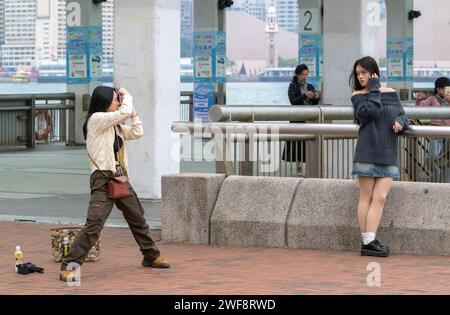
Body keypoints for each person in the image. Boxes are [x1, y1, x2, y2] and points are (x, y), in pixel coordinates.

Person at [59, 86, 170, 281]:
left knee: (137, 218)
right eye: (115, 99)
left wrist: (133, 112)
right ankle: (69, 265)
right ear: (103, 102)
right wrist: (128, 95)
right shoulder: (96, 120)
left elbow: (137, 132)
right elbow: (123, 112)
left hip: (120, 177)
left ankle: (151, 256)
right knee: (94, 225)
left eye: (118, 98)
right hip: (102, 179)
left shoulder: (115, 125)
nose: (118, 101)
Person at [350, 56, 409, 258]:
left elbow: (403, 115)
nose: (360, 77)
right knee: (366, 197)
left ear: (373, 72)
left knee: (381, 197)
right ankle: (367, 242)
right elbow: (370, 113)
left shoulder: (391, 93)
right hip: (367, 151)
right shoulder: (358, 95)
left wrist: (400, 122)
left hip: (388, 151)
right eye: (358, 74)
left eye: (364, 73)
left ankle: (370, 240)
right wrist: (374, 88)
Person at [282, 64, 320, 175]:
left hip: (309, 118)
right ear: (297, 75)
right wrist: (304, 95)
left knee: (309, 141)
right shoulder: (292, 86)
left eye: (306, 74)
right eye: (303, 74)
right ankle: (298, 166)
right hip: (297, 118)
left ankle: (310, 164)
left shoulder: (310, 86)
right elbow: (293, 101)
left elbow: (315, 103)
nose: (305, 77)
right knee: (298, 142)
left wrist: (315, 97)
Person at [415, 76, 450, 181]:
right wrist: (418, 100)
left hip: (448, 133)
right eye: (440, 89)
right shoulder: (432, 99)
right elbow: (419, 109)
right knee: (431, 157)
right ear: (437, 89)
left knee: (447, 160)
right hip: (436, 132)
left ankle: (444, 182)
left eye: (445, 88)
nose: (443, 91)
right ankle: (436, 174)